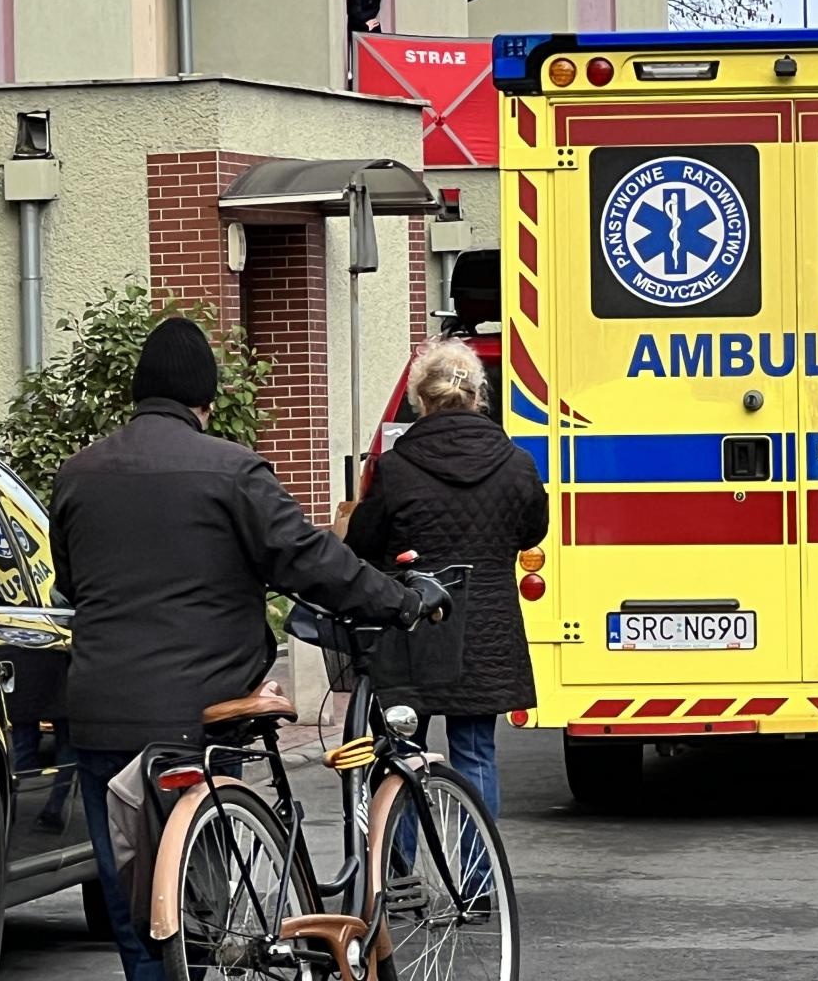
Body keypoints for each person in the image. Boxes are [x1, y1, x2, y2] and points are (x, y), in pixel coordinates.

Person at [50, 317, 445, 981]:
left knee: (131, 898)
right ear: (204, 400)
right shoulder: (231, 470)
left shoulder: (77, 474)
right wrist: (397, 600)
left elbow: (71, 580)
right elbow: (309, 558)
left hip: (100, 714)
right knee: (199, 898)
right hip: (201, 712)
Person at [346, 337, 548, 820]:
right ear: (478, 395)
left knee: (402, 752)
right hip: (485, 629)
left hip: (412, 628)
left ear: (421, 399)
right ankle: (479, 867)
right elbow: (532, 530)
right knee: (476, 751)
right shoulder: (516, 464)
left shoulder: (396, 467)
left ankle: (398, 864)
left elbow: (363, 543)